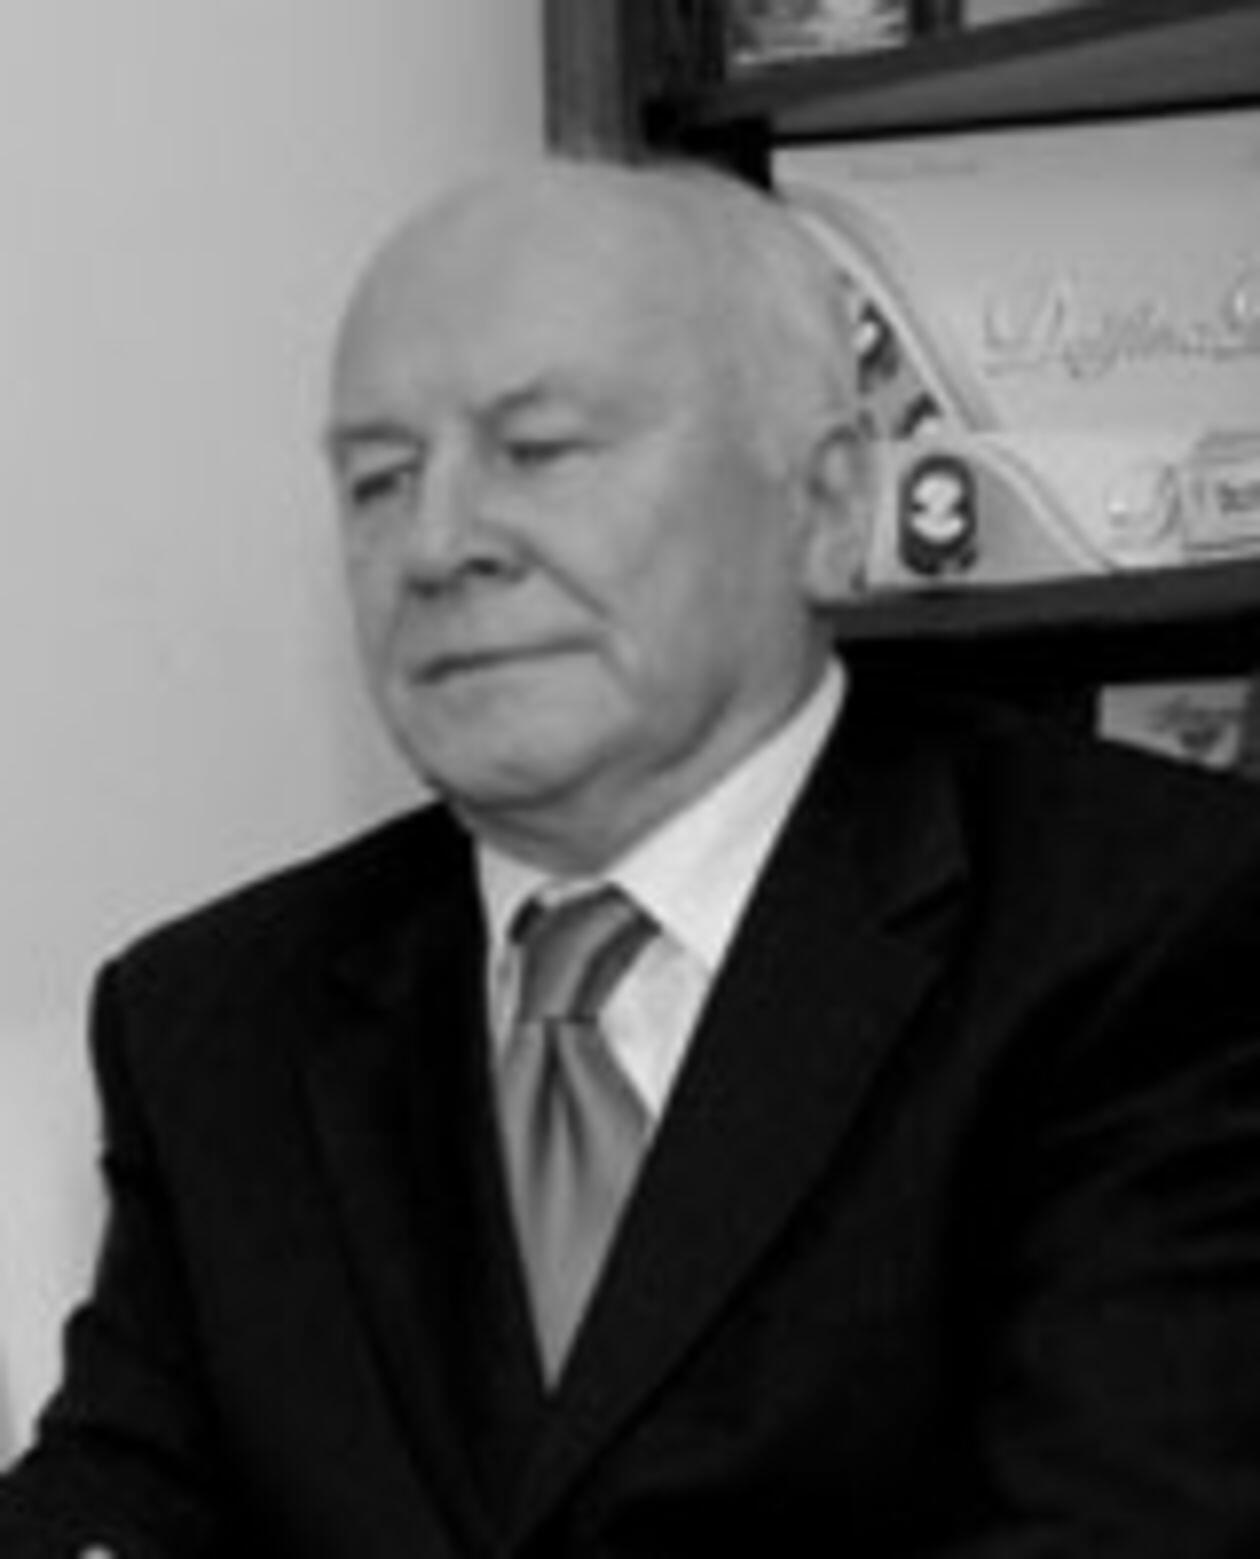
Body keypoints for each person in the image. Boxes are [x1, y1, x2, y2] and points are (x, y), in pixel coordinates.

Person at [3, 156, 1260, 1558]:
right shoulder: (215, 1019)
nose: (437, 545)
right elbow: (116, 1505)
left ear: (827, 503)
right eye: (377, 480)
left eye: (538, 451)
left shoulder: (1150, 924)